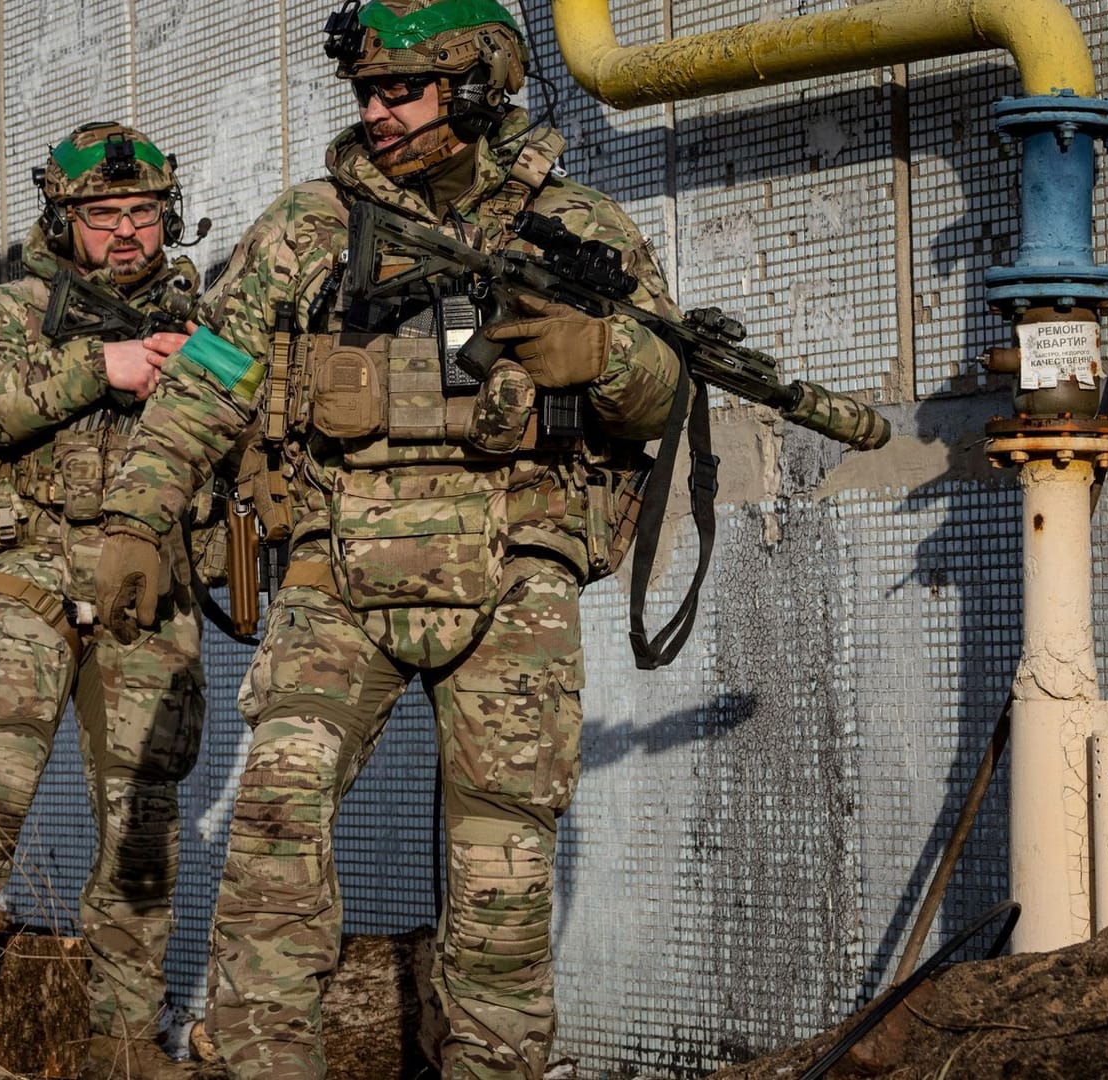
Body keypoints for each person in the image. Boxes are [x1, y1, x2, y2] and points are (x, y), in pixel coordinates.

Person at [94, 2, 686, 1077]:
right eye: (366, 92)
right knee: (274, 819)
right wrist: (138, 517)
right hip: (337, 569)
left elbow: (663, 394)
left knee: (502, 868)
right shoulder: (306, 229)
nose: (376, 112)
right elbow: (209, 385)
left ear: (474, 85)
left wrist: (601, 352)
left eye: (400, 90)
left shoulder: (579, 230)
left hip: (516, 569)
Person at [0, 121, 213, 1080]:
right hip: (28, 580)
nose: (124, 233)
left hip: (146, 591)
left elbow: (252, 430)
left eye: (142, 214)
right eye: (102, 215)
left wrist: (199, 378)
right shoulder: (14, 307)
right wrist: (99, 369)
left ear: (167, 216)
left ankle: (120, 1038)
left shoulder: (205, 320)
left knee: (143, 821)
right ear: (62, 219)